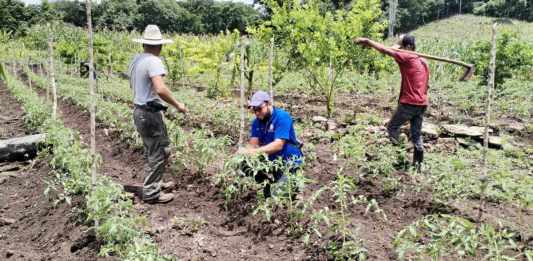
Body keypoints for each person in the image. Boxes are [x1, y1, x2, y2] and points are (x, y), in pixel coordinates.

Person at [128, 25, 187, 204]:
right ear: (159, 46)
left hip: (139, 111)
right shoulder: (153, 61)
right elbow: (160, 89)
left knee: (155, 150)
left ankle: (155, 183)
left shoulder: (136, 60)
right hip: (149, 113)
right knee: (158, 152)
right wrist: (178, 105)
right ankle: (152, 194)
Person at [354, 35, 430, 169]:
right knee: (416, 135)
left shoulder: (407, 57)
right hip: (422, 103)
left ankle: (400, 152)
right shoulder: (423, 61)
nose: (399, 48)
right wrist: (400, 45)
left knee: (392, 127)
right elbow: (427, 85)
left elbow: (386, 50)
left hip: (409, 103)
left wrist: (368, 41)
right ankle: (418, 166)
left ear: (408, 47)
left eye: (401, 46)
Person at [238, 91, 303, 197]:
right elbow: (253, 144)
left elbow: (279, 145)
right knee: (244, 163)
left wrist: (253, 151)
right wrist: (244, 152)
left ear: (268, 103)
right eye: (254, 110)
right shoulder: (256, 122)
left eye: (259, 108)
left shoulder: (282, 117)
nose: (257, 113)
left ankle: (293, 186)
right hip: (272, 162)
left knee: (278, 197)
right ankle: (266, 184)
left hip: (289, 161)